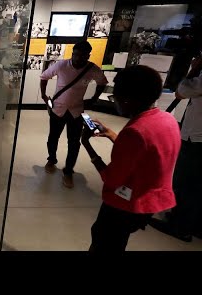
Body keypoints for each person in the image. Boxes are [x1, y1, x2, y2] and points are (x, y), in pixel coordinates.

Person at [81, 65, 181, 252]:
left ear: (126, 100)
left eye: (116, 96)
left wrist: (87, 146)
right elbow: (143, 154)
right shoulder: (167, 119)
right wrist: (111, 134)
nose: (115, 101)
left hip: (126, 205)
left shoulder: (135, 132)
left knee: (105, 243)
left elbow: (111, 178)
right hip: (150, 202)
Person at [40, 40, 108, 188]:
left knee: (74, 142)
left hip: (76, 111)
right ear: (72, 53)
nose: (78, 58)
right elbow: (44, 77)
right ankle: (51, 159)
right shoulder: (62, 65)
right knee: (53, 137)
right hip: (58, 109)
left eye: (82, 56)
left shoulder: (92, 69)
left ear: (88, 56)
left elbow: (102, 82)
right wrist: (44, 95)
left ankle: (68, 170)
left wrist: (95, 98)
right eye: (75, 55)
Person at [149, 56, 202, 242]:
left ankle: (180, 226)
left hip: (196, 137)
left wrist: (195, 68)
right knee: (195, 184)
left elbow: (181, 91)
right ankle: (191, 223)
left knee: (186, 182)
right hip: (196, 136)